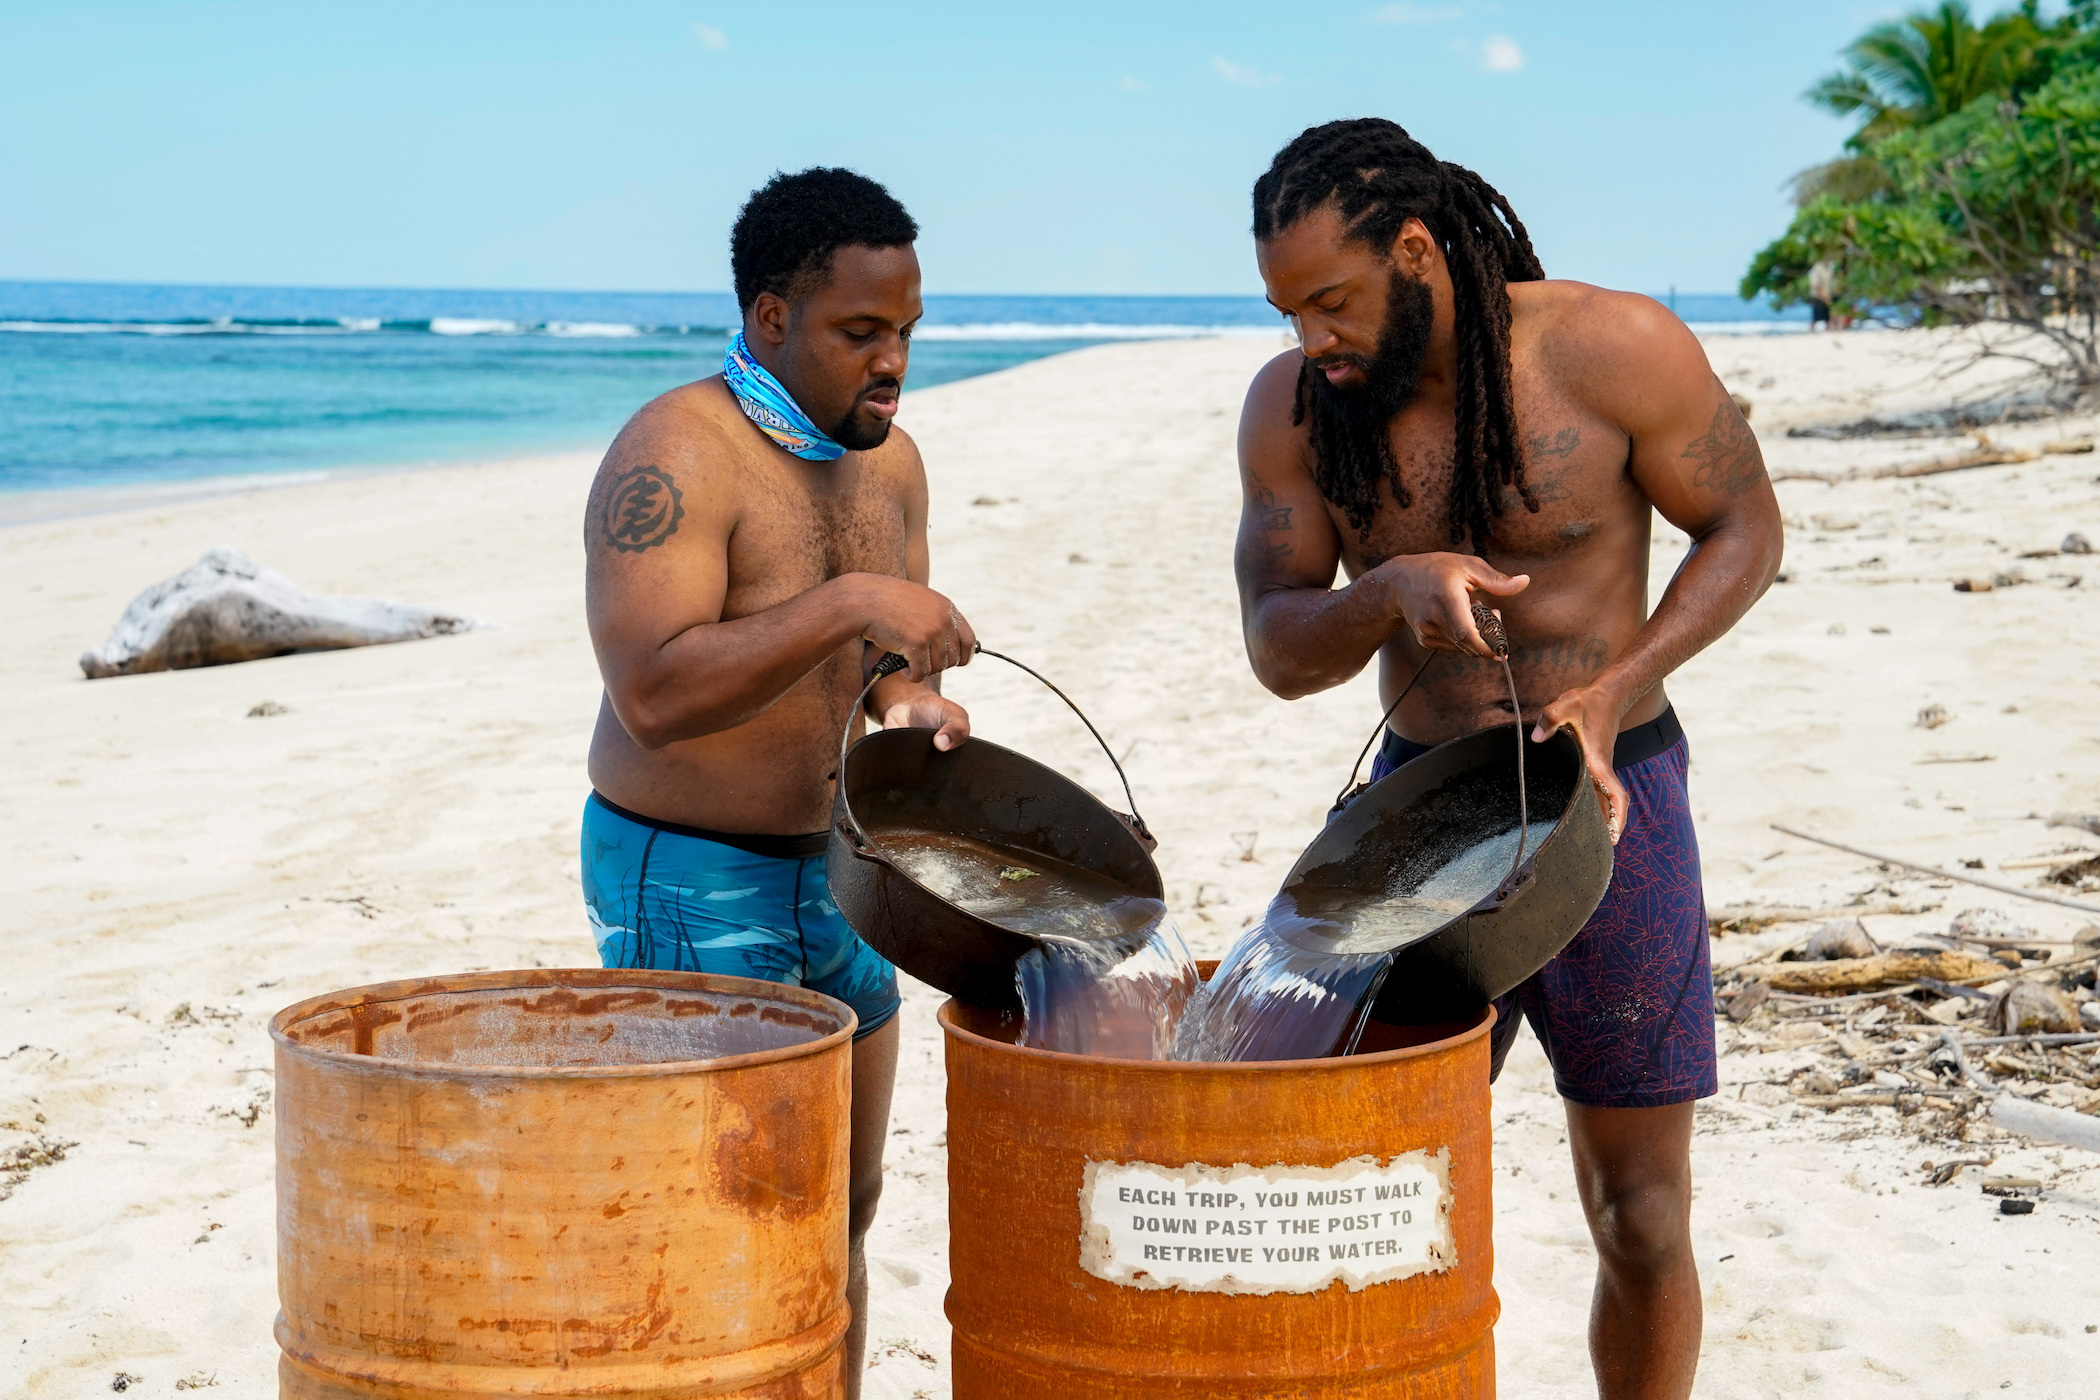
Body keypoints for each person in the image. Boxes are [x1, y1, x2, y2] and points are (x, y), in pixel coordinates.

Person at [1233, 119, 1783, 1400]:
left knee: (1639, 1211)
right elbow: (1278, 644)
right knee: (1357, 1193)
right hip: (1416, 825)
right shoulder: (1293, 409)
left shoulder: (1612, 347)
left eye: (1333, 301)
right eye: (1286, 309)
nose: (1312, 339)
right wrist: (1387, 591)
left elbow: (1745, 522)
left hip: (1616, 798)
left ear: (1415, 249)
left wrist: (1617, 685)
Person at [581, 166, 974, 1397]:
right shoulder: (673, 454)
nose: (892, 360)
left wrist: (904, 700)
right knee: (725, 1218)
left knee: (842, 1208)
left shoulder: (892, 464)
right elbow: (653, 689)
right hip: (687, 867)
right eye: (862, 331)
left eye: (906, 330)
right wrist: (855, 600)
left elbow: (867, 666)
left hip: (843, 868)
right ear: (769, 319)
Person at [1808, 259, 1835, 332]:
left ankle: (1828, 330)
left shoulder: (1830, 267)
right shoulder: (1817, 267)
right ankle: (1811, 330)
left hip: (1827, 295)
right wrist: (1822, 295)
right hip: (1817, 296)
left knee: (1828, 315)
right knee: (1816, 315)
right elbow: (1816, 285)